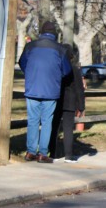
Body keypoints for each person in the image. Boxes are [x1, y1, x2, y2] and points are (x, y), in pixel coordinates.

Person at [19, 20, 72, 162]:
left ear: (41, 33)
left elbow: (22, 63)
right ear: (55, 34)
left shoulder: (30, 46)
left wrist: (31, 74)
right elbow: (67, 70)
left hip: (32, 88)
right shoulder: (60, 49)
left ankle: (30, 151)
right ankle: (43, 153)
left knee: (33, 120)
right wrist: (56, 76)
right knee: (47, 121)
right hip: (51, 90)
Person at [50, 43, 86, 162]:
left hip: (56, 100)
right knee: (68, 128)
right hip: (70, 101)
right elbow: (79, 89)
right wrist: (81, 106)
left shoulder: (56, 67)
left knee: (54, 127)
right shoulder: (75, 69)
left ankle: (52, 154)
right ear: (71, 55)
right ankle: (68, 155)